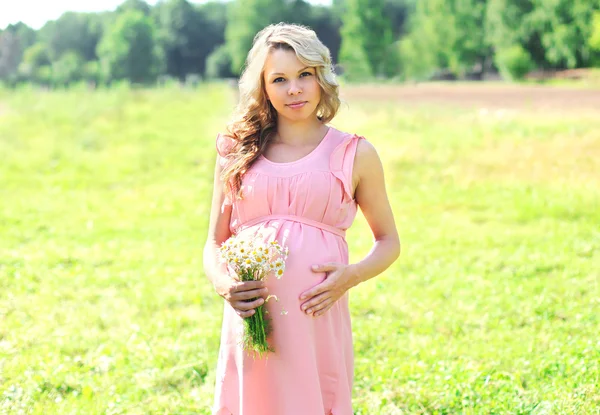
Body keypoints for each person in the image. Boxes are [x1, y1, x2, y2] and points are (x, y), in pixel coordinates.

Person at [203, 22, 400, 415]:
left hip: (316, 318)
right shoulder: (237, 149)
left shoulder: (353, 153)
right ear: (263, 86)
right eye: (279, 79)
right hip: (252, 317)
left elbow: (388, 242)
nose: (294, 89)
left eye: (304, 75)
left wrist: (351, 275)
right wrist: (224, 283)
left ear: (321, 77)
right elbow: (214, 242)